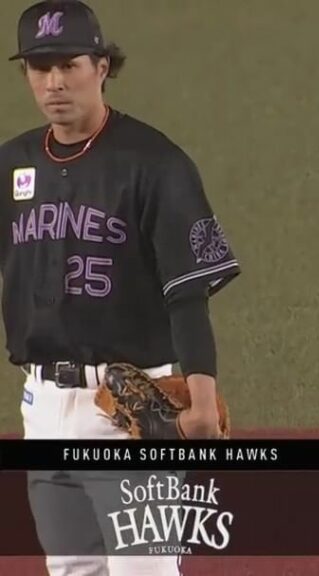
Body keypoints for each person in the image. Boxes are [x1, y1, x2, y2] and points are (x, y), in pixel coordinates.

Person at [0, 1, 240, 574]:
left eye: (69, 65)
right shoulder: (11, 164)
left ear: (102, 66)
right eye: (40, 67)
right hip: (43, 407)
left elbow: (187, 292)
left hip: (132, 412)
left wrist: (202, 401)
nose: (54, 83)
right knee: (70, 571)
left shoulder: (155, 163)